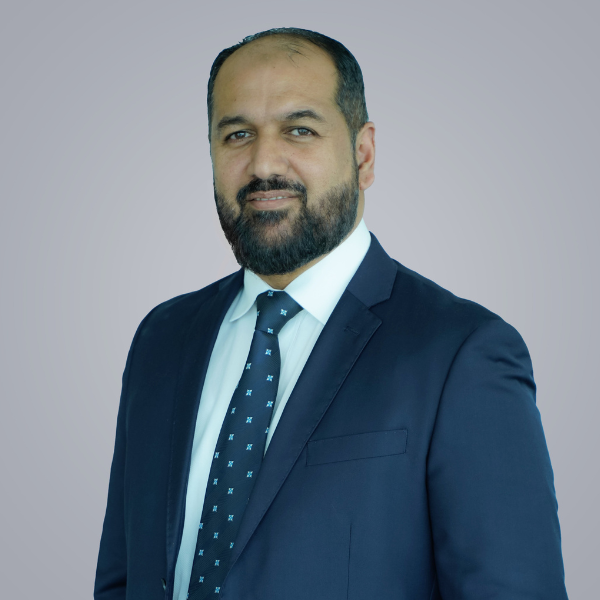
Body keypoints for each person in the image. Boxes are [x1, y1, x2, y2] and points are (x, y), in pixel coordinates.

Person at [94, 27, 569, 600]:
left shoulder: (461, 355)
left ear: (363, 154)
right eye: (238, 134)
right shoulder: (161, 340)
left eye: (300, 129)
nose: (263, 162)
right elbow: (122, 579)